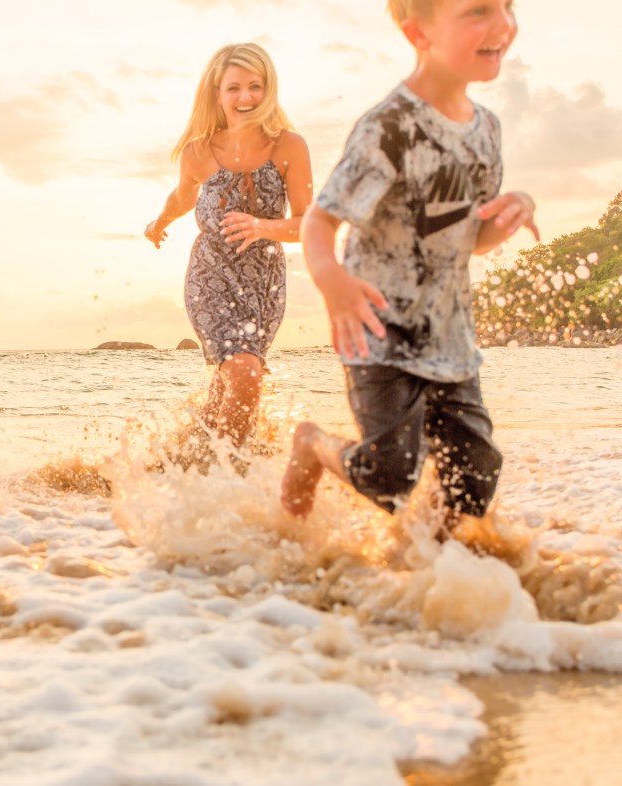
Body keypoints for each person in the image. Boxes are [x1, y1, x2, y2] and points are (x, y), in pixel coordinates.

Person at [281, 0, 538, 539]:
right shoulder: (388, 127)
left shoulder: (486, 129)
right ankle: (311, 444)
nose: (503, 25)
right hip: (377, 326)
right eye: (479, 11)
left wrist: (514, 209)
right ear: (418, 31)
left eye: (509, 7)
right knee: (389, 475)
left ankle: (427, 561)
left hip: (448, 333)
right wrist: (333, 284)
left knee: (474, 480)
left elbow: (473, 240)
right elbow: (318, 222)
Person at [145, 43, 312, 454]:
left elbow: (310, 224)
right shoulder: (199, 151)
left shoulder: (289, 147)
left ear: (268, 90)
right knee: (245, 372)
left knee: (231, 382)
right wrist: (159, 223)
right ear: (217, 94)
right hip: (210, 276)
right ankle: (229, 475)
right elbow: (183, 198)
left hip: (264, 285)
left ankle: (193, 464)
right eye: (234, 88)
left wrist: (263, 227)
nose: (245, 97)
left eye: (255, 86)